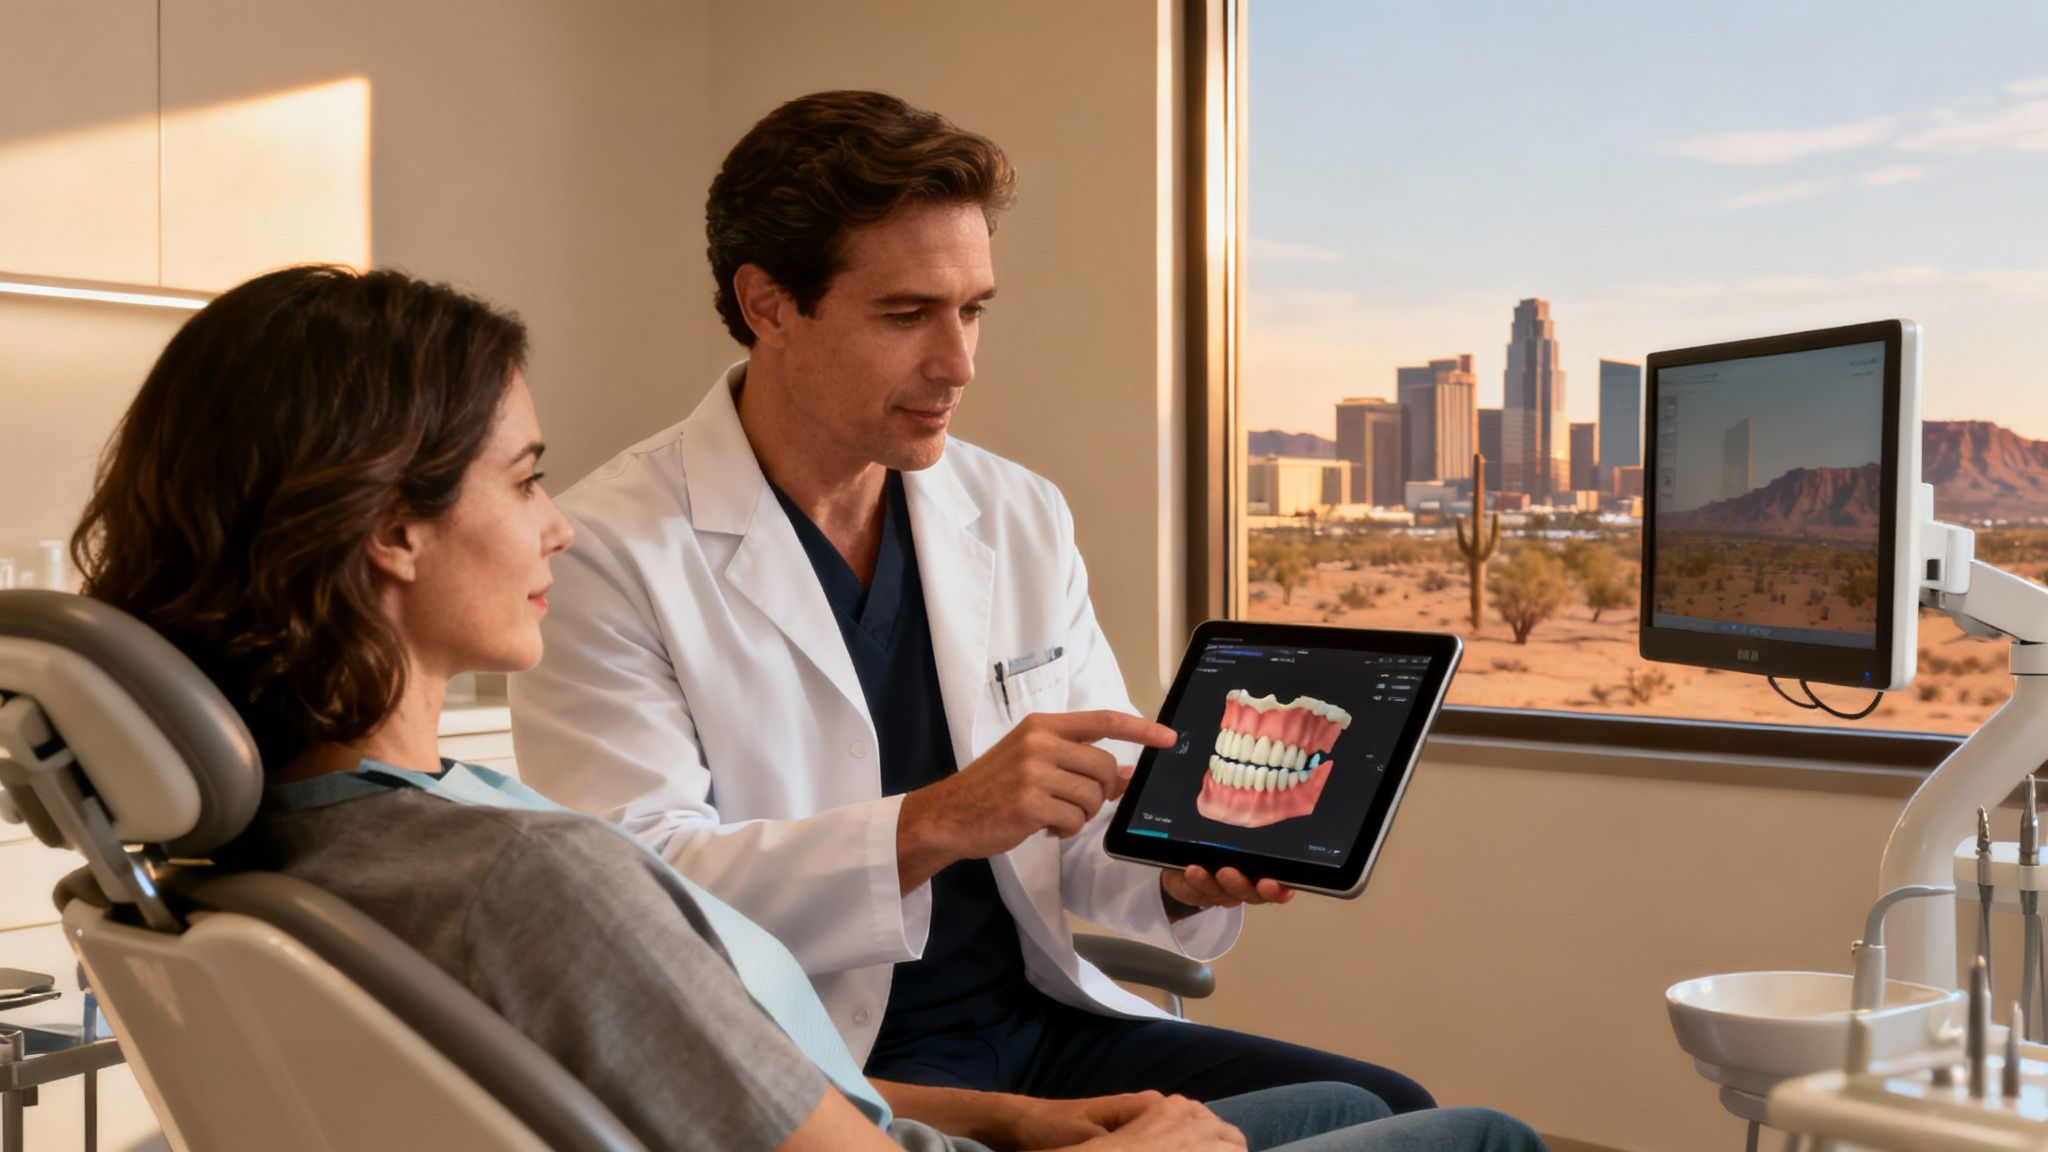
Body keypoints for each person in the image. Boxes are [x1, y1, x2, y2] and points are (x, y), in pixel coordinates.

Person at [71, 265, 1544, 1152]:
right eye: (523, 481)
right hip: (859, 1072)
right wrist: (939, 820)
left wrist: (1035, 1087)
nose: (556, 527)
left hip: (914, 1084)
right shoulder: (534, 864)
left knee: (1364, 1102)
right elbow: (649, 947)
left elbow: (669, 1056)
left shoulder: (297, 859)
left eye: (974, 308)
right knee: (1471, 1136)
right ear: (391, 530)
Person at [510, 89, 1429, 1112]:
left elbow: (1080, 823)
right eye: (905, 316)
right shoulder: (606, 551)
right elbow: (644, 904)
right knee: (1355, 1126)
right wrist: (937, 820)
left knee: (1393, 1103)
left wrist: (1173, 875)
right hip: (827, 1068)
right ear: (768, 304)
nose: (958, 363)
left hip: (1036, 1021)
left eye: (972, 309)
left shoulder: (1016, 512)